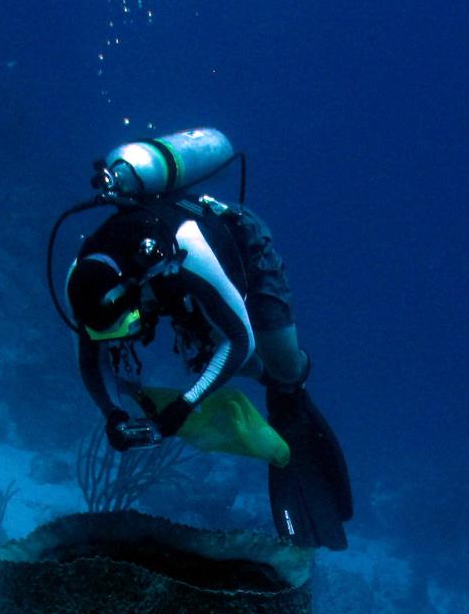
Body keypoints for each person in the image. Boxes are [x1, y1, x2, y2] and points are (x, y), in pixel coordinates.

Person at [64, 193, 353, 550]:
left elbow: (240, 341)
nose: (127, 335)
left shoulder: (186, 247)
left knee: (281, 367)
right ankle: (274, 385)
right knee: (232, 359)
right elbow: (91, 360)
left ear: (131, 288)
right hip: (170, 286)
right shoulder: (80, 283)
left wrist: (186, 404)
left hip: (239, 251)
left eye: (129, 323)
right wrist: (113, 414)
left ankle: (291, 389)